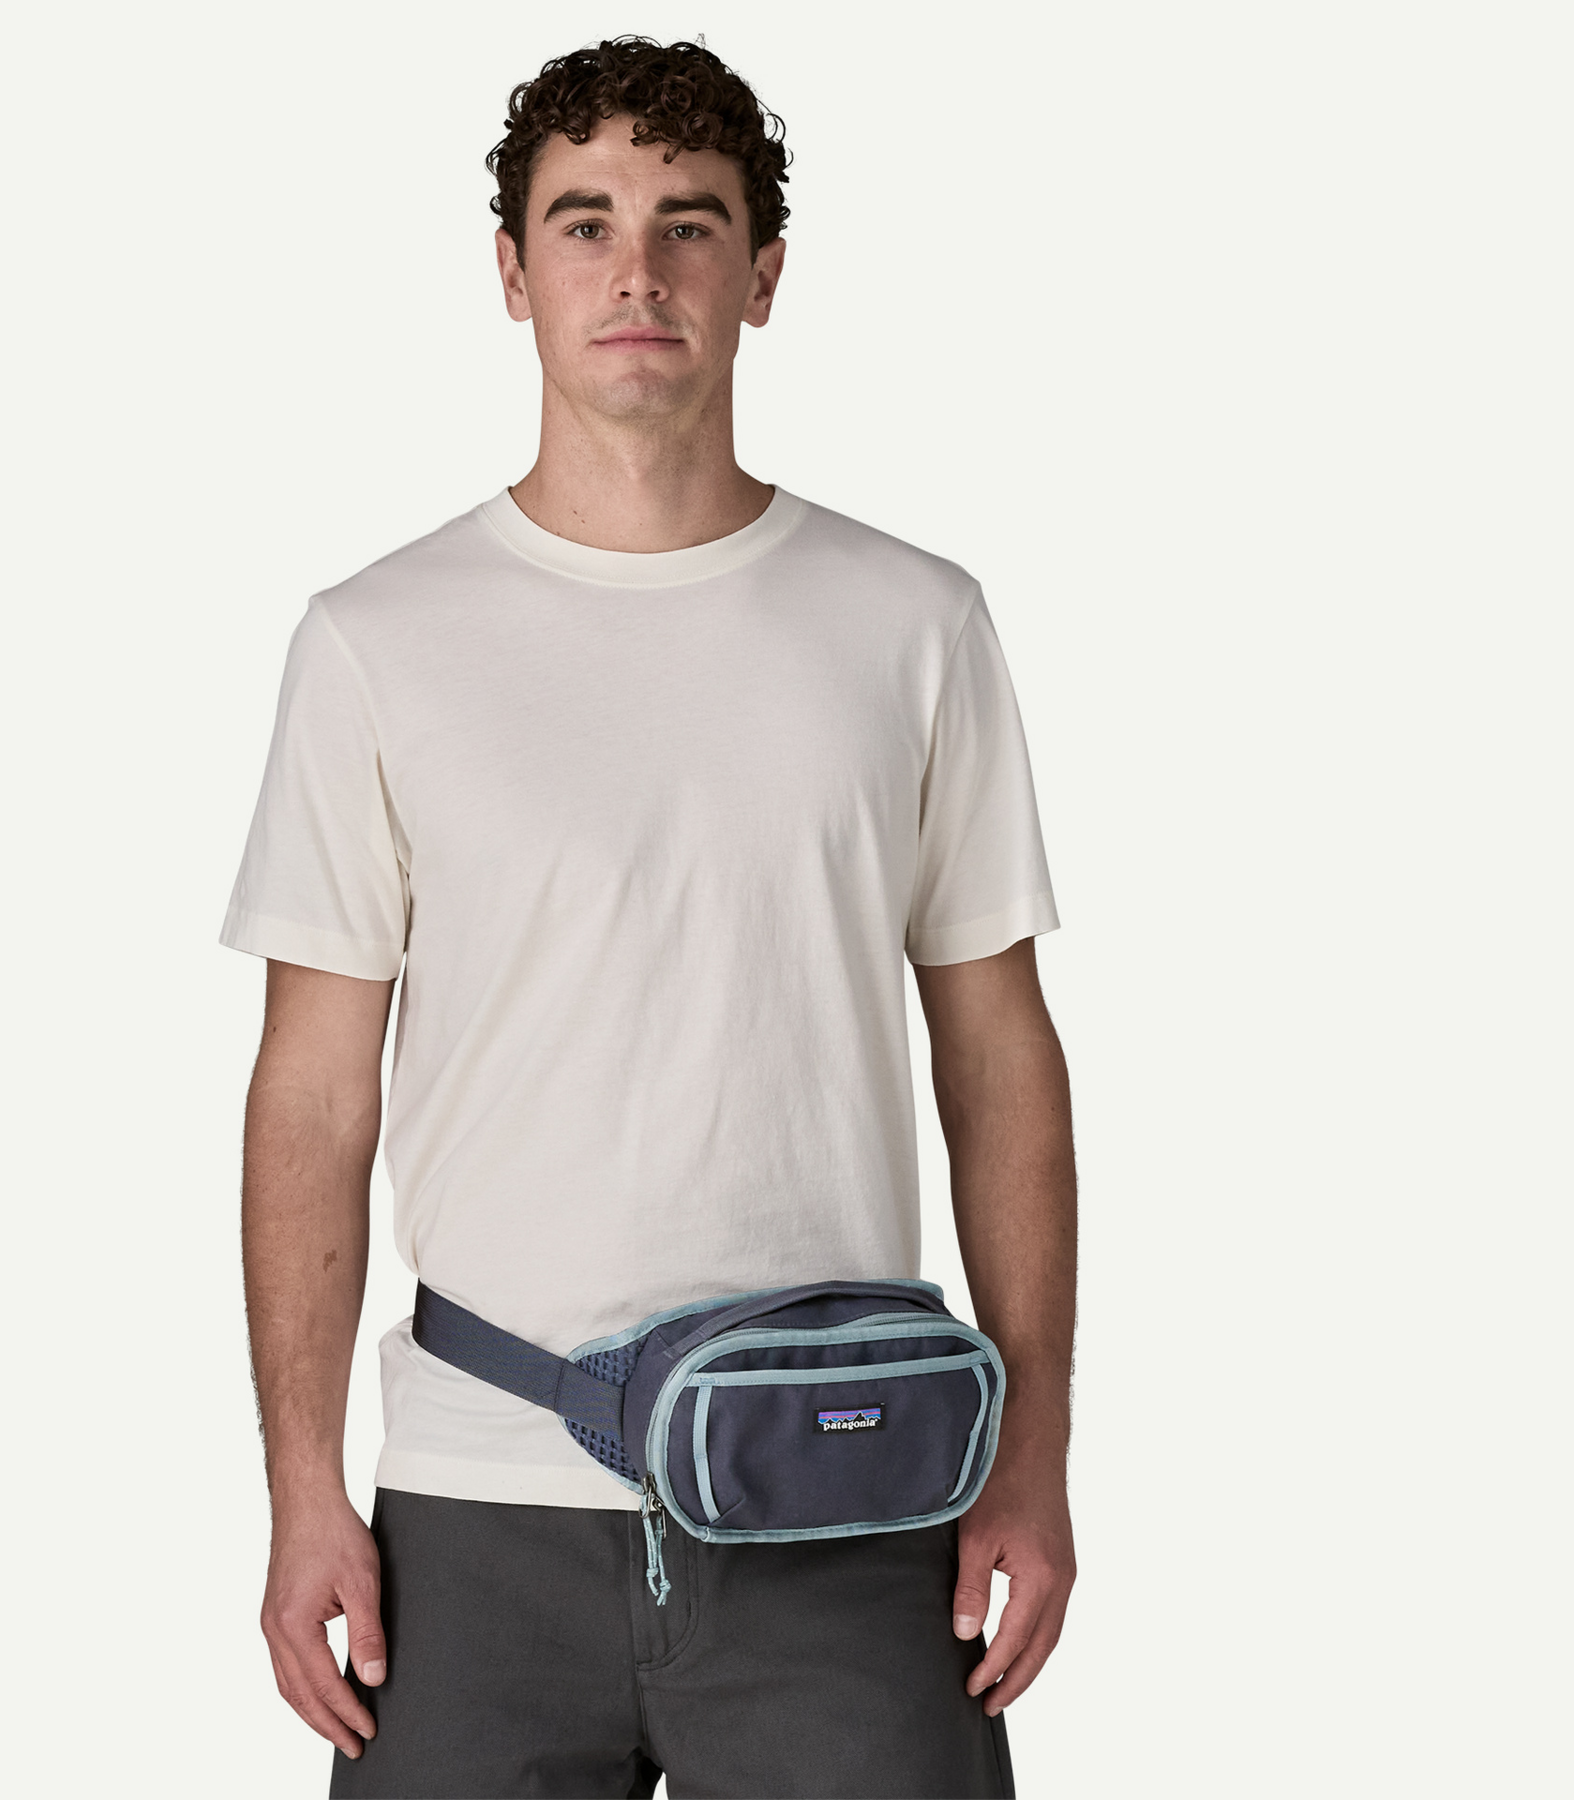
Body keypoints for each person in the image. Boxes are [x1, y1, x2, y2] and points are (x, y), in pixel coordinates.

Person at [222, 36, 1076, 1800]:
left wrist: (1038, 1453)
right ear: (512, 272)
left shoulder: (913, 624)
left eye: (690, 224)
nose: (637, 270)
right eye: (585, 222)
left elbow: (1000, 1057)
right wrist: (304, 1490)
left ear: (763, 275)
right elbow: (311, 1094)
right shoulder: (378, 641)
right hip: (476, 1510)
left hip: (849, 1496)